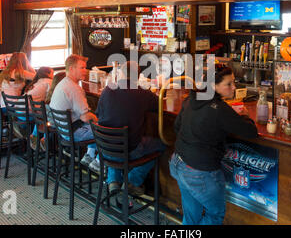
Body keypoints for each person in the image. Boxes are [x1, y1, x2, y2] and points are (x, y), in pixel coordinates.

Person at [169, 64, 258, 225]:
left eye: (233, 82)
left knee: (191, 215)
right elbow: (251, 132)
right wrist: (245, 116)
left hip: (178, 162)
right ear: (213, 86)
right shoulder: (220, 109)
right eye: (228, 84)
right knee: (215, 214)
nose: (233, 87)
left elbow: (177, 127)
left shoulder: (191, 99)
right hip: (200, 171)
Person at [95, 61, 166, 198]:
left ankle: (113, 181)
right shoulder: (141, 93)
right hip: (129, 150)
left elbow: (98, 114)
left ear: (121, 74)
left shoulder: (107, 90)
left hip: (104, 148)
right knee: (161, 145)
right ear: (138, 76)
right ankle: (132, 181)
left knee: (116, 141)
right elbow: (159, 106)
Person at [49, 55, 99, 170]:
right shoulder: (73, 88)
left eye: (85, 68)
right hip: (73, 133)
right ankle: (97, 162)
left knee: (95, 124)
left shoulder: (62, 83)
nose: (85, 71)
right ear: (71, 69)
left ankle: (89, 156)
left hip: (63, 131)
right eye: (81, 68)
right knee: (106, 130)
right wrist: (99, 120)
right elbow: (86, 117)